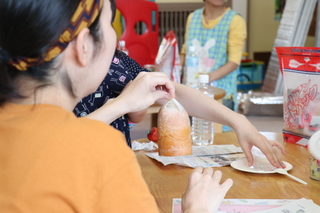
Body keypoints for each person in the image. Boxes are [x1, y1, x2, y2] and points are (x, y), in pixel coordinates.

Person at [0, 0, 234, 212]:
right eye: (110, 25)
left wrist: (238, 121)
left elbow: (165, 91)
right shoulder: (99, 147)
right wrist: (197, 208)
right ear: (84, 46)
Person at [180, 0, 247, 131]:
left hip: (220, 92)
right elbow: (185, 51)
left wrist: (204, 79)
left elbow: (233, 62)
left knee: (216, 138)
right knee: (185, 133)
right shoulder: (192, 17)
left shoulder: (235, 20)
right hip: (190, 89)